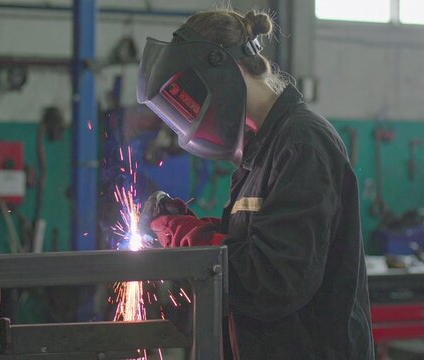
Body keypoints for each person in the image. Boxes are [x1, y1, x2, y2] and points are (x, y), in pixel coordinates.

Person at [136, 8, 374, 360]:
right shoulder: (262, 150)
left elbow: (273, 282)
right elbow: (258, 244)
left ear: (222, 69)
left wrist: (185, 236)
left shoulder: (302, 143)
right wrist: (194, 228)